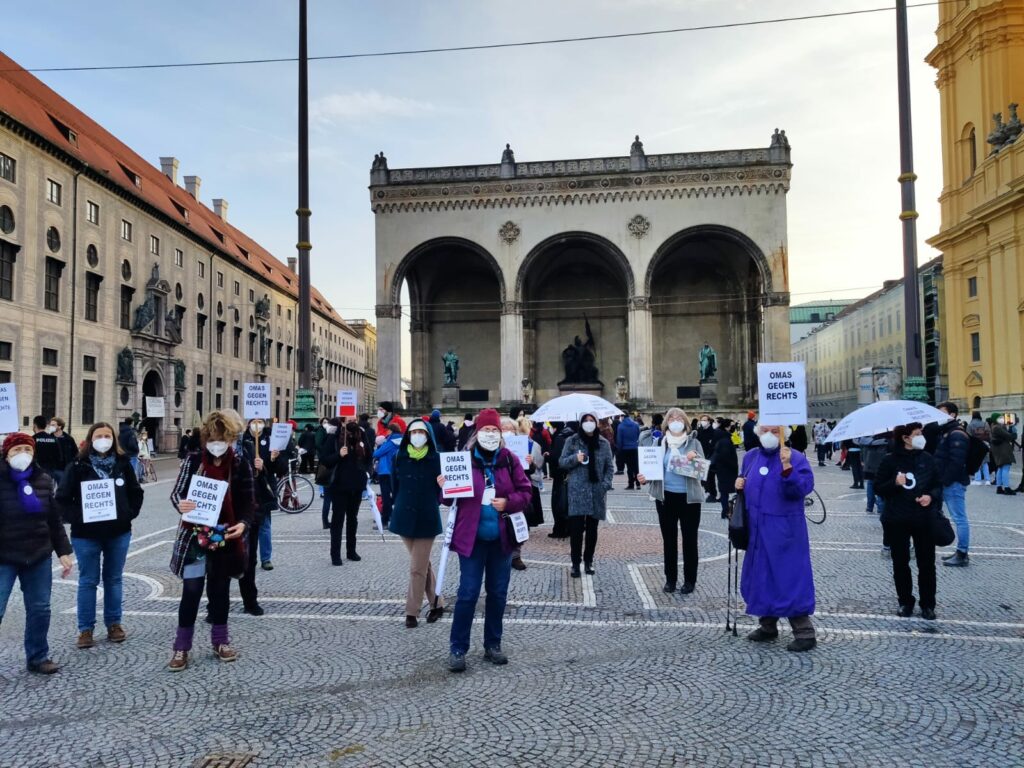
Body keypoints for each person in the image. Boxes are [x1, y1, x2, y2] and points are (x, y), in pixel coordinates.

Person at [445, 408, 532, 672]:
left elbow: (526, 492)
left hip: (501, 540)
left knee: (498, 594)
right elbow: (449, 500)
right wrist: (442, 487)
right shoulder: (463, 460)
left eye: (494, 430)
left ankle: (493, 644)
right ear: (477, 433)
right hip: (471, 540)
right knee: (467, 594)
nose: (491, 434)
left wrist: (508, 502)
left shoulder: (509, 460)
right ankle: (458, 648)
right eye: (486, 430)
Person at [167, 409, 254, 670]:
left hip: (225, 535)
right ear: (206, 439)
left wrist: (243, 524)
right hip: (195, 536)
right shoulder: (194, 461)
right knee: (191, 592)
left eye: (223, 439)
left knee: (220, 591)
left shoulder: (239, 462)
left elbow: (249, 502)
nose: (217, 445)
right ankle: (181, 647)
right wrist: (181, 505)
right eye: (213, 439)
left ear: (230, 440)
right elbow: (177, 494)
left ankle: (220, 640)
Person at [57, 423, 144, 649]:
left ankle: (114, 624)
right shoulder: (77, 466)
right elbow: (62, 500)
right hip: (86, 535)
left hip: (118, 532)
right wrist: (80, 516)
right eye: (99, 436)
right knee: (88, 581)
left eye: (107, 436)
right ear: (90, 439)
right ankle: (85, 629)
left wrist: (128, 513)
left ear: (113, 440)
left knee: (114, 580)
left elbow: (136, 492)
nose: (103, 439)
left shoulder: (123, 464)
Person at [735, 424, 817, 652]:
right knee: (761, 575)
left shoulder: (796, 457)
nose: (769, 435)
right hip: (757, 528)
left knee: (789, 577)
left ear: (783, 435)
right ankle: (767, 624)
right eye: (765, 431)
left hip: (785, 530)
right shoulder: (750, 457)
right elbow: (747, 483)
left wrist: (787, 466)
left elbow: (803, 488)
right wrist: (739, 484)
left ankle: (804, 631)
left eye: (774, 431)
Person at [0, 432, 74, 674]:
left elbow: (53, 519)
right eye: (17, 450)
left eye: (28, 450)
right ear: (6, 454)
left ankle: (38, 656)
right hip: (4, 556)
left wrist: (63, 551)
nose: (23, 455)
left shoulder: (42, 479)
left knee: (40, 608)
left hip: (38, 554)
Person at [874, 422, 940, 619]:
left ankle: (928, 604)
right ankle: (905, 601)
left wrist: (931, 496)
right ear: (905, 438)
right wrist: (895, 483)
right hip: (897, 518)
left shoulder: (927, 458)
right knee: (900, 563)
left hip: (923, 518)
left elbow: (937, 484)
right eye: (918, 433)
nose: (922, 436)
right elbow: (878, 488)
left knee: (927, 563)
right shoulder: (889, 460)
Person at [637, 408, 706, 593]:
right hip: (665, 498)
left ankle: (690, 581)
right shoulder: (660, 443)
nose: (676, 420)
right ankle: (671, 579)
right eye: (672, 418)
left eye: (679, 418)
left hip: (689, 499)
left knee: (690, 540)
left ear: (685, 422)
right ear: (667, 422)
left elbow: (702, 471)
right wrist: (645, 478)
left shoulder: (694, 443)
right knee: (669, 540)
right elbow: (654, 469)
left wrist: (693, 459)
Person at [389, 419, 445, 628]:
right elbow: (395, 487)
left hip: (426, 517)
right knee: (422, 564)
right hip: (404, 515)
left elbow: (446, 492)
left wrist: (444, 487)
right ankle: (437, 603)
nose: (418, 435)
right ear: (408, 436)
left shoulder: (437, 459)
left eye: (422, 432)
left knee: (416, 568)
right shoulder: (399, 457)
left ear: (428, 435)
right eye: (414, 432)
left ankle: (411, 612)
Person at [559, 412, 615, 578]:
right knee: (576, 530)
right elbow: (562, 462)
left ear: (597, 423)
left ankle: (589, 560)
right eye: (586, 421)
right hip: (577, 490)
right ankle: (575, 563)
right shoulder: (572, 440)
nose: (589, 423)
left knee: (592, 529)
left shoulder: (603, 443)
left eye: (592, 421)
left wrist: (605, 485)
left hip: (596, 490)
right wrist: (575, 458)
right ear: (581, 423)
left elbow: (609, 467)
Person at [237, 418, 285, 613]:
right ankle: (215, 603)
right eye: (253, 421)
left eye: (259, 421)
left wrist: (269, 462)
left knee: (252, 552)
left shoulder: (269, 439)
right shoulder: (240, 444)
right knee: (222, 559)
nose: (256, 424)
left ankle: (251, 599)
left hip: (258, 500)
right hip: (233, 507)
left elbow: (279, 470)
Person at [319, 420, 368, 565]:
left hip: (356, 485)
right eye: (348, 417)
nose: (351, 419)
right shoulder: (334, 436)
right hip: (339, 485)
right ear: (342, 420)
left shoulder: (361, 435)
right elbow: (324, 460)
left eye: (353, 416)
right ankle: (335, 554)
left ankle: (351, 551)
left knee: (353, 519)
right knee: (337, 520)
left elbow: (369, 456)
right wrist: (338, 455)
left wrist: (366, 471)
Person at [503, 416, 545, 571]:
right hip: (500, 491)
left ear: (515, 432)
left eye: (510, 429)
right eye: (504, 429)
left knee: (519, 523)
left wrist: (530, 462)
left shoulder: (523, 445)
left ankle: (516, 555)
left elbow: (533, 469)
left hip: (518, 491)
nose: (507, 432)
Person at [933, 401, 971, 567]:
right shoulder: (946, 432)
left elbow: (957, 461)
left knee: (959, 518)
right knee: (958, 517)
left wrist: (946, 480)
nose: (938, 416)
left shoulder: (956, 434)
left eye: (942, 412)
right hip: (948, 480)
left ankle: (962, 553)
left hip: (954, 482)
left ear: (952, 414)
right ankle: (959, 552)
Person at [548, 422, 573, 539]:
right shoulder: (575, 435)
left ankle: (560, 529)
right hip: (573, 474)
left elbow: (557, 458)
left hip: (560, 476)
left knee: (559, 503)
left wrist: (548, 456)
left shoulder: (560, 437)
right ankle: (570, 528)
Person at [373, 423, 402, 528]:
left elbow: (376, 454)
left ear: (390, 431)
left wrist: (380, 446)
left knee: (385, 497)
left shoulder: (390, 442)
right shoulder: (403, 440)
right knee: (396, 495)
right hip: (397, 471)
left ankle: (385, 521)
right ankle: (394, 517)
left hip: (385, 471)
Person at [710, 418, 738, 520]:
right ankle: (726, 511)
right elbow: (725, 456)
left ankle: (725, 510)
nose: (733, 427)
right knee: (724, 491)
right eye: (732, 425)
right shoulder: (725, 439)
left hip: (721, 468)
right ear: (727, 426)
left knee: (724, 491)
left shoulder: (721, 436)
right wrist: (734, 466)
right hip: (726, 469)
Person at [860, 433, 890, 515]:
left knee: (870, 485)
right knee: (880, 486)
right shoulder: (885, 441)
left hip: (869, 466)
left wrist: (863, 460)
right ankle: (880, 508)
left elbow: (863, 451)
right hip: (880, 467)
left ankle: (869, 507)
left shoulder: (867, 439)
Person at [318, 417, 340, 529]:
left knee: (327, 498)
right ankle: (327, 521)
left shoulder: (327, 436)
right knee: (332, 499)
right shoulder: (334, 438)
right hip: (332, 472)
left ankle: (325, 521)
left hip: (328, 472)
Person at [991, 415, 1017, 495]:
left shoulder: (994, 427)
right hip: (1003, 449)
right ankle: (1006, 488)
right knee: (1006, 467)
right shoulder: (997, 427)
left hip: (999, 450)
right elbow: (1009, 436)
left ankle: (999, 487)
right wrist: (1013, 431)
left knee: (1000, 468)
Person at [615, 413, 640, 489]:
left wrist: (619, 449)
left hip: (625, 449)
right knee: (636, 467)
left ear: (622, 417)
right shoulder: (636, 425)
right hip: (635, 448)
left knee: (629, 467)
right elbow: (638, 435)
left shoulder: (621, 426)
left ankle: (631, 484)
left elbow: (619, 439)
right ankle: (638, 483)